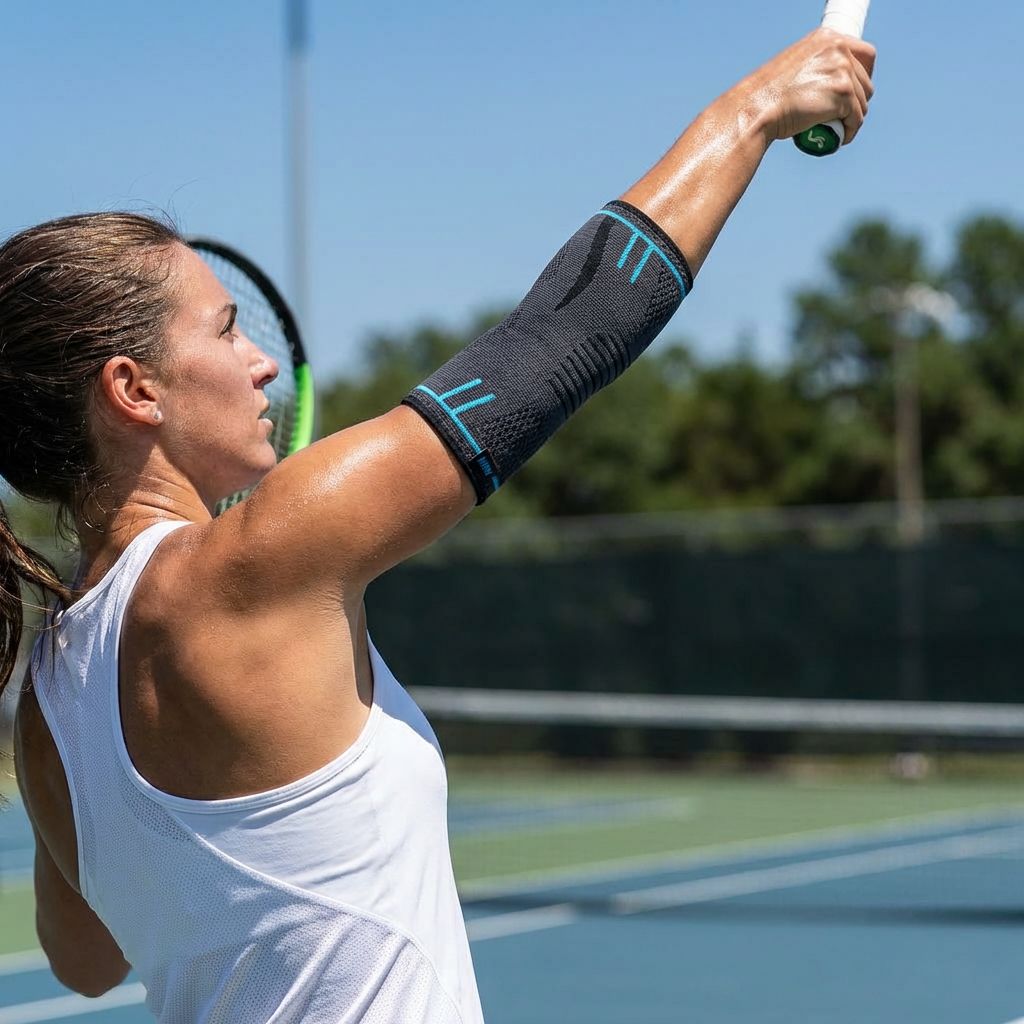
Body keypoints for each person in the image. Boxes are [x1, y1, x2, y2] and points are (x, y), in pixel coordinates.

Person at [4, 27, 874, 1024]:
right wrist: (752, 110)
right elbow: (564, 334)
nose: (260, 364)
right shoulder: (257, 561)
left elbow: (84, 960)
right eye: (225, 328)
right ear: (133, 389)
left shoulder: (46, 706)